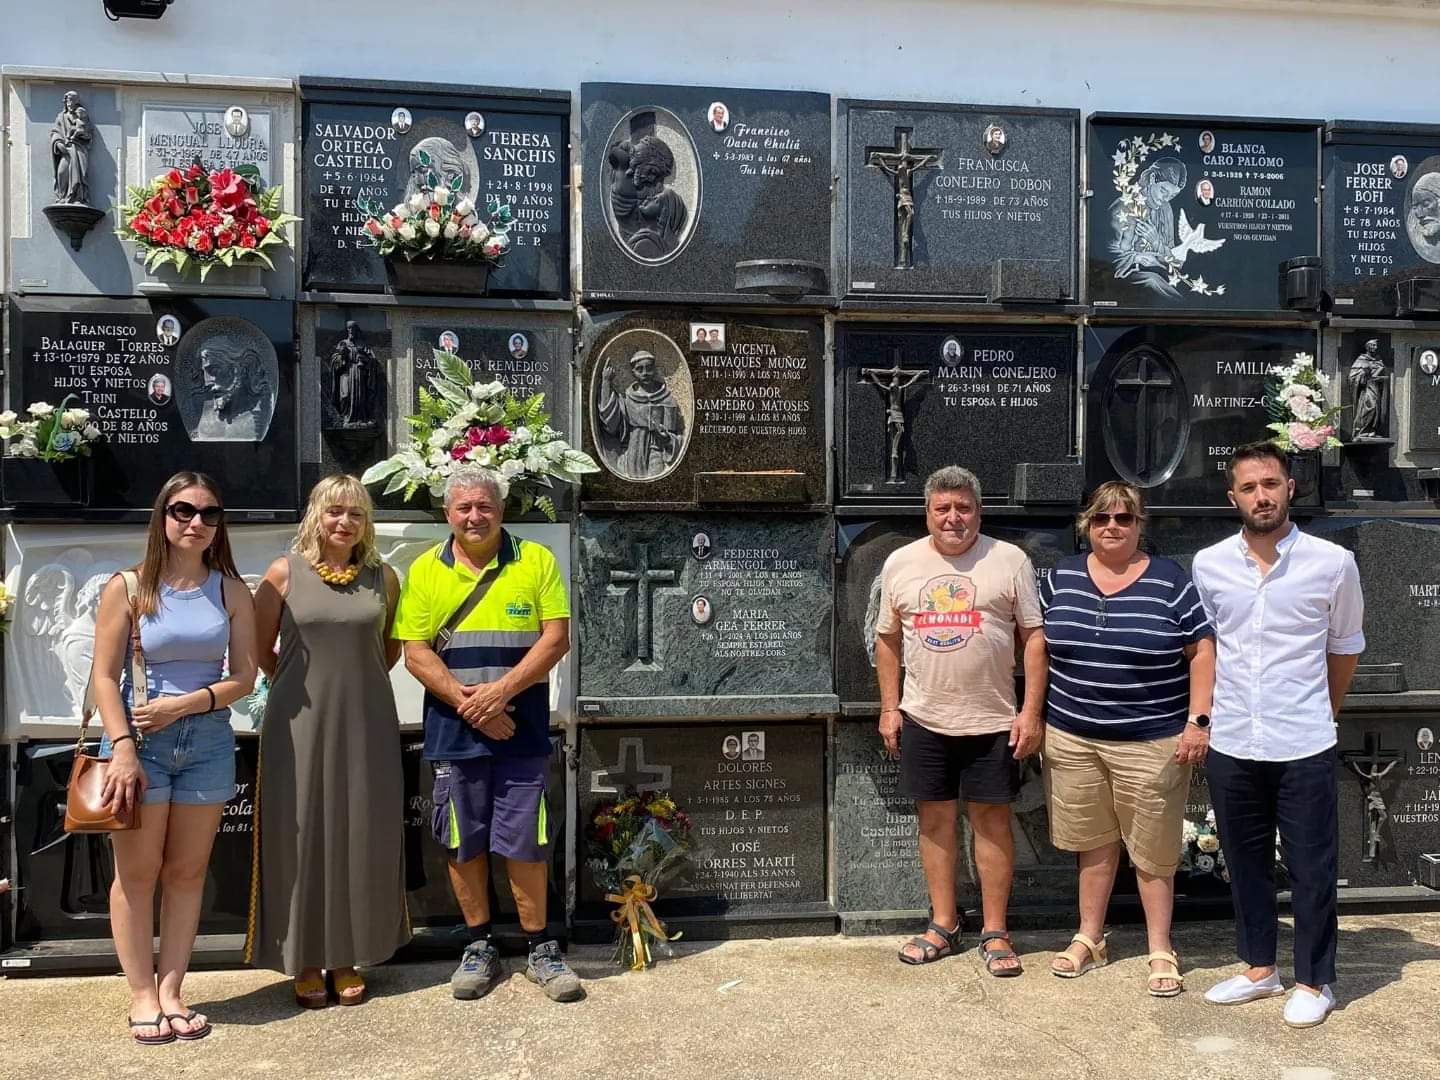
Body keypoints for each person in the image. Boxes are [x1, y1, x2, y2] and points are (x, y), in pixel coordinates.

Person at [1193, 442, 1365, 1029]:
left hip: (1304, 740)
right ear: (1232, 497)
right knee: (1244, 864)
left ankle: (1316, 981)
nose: (1261, 496)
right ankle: (1259, 968)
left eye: (1270, 483)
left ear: (1290, 487)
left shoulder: (1332, 563)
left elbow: (1344, 647)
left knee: (1313, 866)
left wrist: (1324, 712)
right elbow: (1209, 647)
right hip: (1235, 739)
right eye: (1249, 487)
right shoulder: (1209, 563)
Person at [393, 465, 577, 1002]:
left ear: (501, 509)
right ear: (448, 514)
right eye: (464, 508)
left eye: (485, 506)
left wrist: (502, 693)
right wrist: (471, 704)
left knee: (526, 841)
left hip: (520, 729)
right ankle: (478, 946)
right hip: (455, 730)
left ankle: (540, 947)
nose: (475, 516)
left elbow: (555, 638)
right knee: (462, 838)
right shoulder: (426, 569)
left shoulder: (536, 560)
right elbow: (415, 651)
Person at [93, 471, 257, 1044]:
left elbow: (244, 678)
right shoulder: (130, 587)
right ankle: (140, 995)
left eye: (209, 514)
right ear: (162, 516)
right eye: (184, 511)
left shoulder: (232, 591)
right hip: (140, 744)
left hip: (208, 739)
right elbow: (104, 678)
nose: (196, 523)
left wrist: (189, 703)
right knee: (136, 874)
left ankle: (172, 989)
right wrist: (121, 750)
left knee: (187, 874)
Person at [1038, 482, 1215, 996]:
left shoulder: (1169, 581)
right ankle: (1090, 938)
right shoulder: (1060, 577)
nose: (1112, 526)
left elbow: (1201, 649)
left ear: (1140, 526)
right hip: (1073, 737)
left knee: (1154, 854)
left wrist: (1197, 722)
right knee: (1092, 846)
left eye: (1124, 518)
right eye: (1101, 519)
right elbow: (1037, 648)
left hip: (1151, 740)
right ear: (1085, 526)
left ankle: (1161, 947)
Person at [876, 466, 1046, 976]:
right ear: (927, 512)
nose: (954, 518)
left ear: (979, 510)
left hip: (993, 718)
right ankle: (944, 923)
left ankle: (996, 931)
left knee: (993, 823)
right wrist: (890, 707)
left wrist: (1030, 712)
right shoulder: (901, 562)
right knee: (934, 820)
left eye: (963, 508)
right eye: (942, 508)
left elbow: (1033, 637)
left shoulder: (1010, 560)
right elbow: (886, 640)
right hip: (926, 716)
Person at [247, 475, 408, 1008]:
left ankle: (348, 955)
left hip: (367, 720)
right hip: (299, 722)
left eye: (356, 514)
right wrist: (300, 685)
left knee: (358, 833)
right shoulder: (282, 574)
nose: (345, 522)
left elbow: (388, 651)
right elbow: (259, 651)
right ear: (316, 515)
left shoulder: (383, 578)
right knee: (301, 834)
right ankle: (305, 959)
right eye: (335, 511)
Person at [596, 350, 685, 480]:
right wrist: (605, 383)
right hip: (630, 454)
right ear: (633, 372)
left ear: (654, 369)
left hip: (655, 453)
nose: (645, 373)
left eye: (649, 368)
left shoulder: (667, 401)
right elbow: (609, 422)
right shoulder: (627, 400)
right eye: (639, 369)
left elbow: (678, 437)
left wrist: (665, 438)